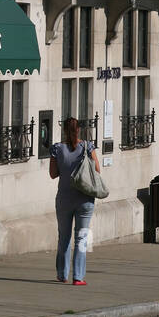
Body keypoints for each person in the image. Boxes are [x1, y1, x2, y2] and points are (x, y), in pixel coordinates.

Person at [49, 117, 100, 285]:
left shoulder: (57, 149)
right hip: (85, 198)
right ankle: (78, 277)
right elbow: (97, 170)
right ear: (78, 130)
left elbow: (53, 174)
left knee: (64, 237)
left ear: (64, 130)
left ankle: (62, 274)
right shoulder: (88, 147)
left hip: (64, 198)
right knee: (82, 238)